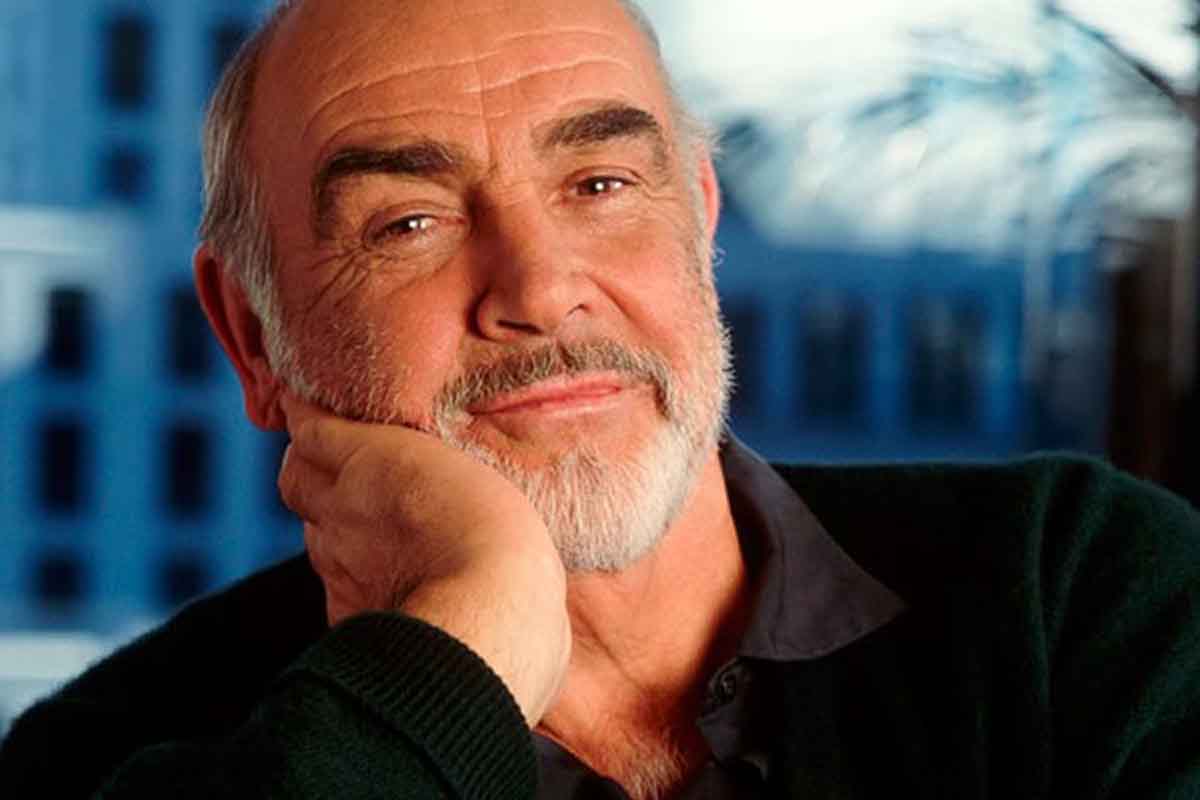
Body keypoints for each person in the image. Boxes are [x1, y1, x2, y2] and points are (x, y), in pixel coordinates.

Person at [4, 0, 1200, 797]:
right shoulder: (97, 758)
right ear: (253, 335)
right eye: (408, 222)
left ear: (701, 220)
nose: (540, 290)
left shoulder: (1080, 590)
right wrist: (458, 641)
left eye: (601, 183)